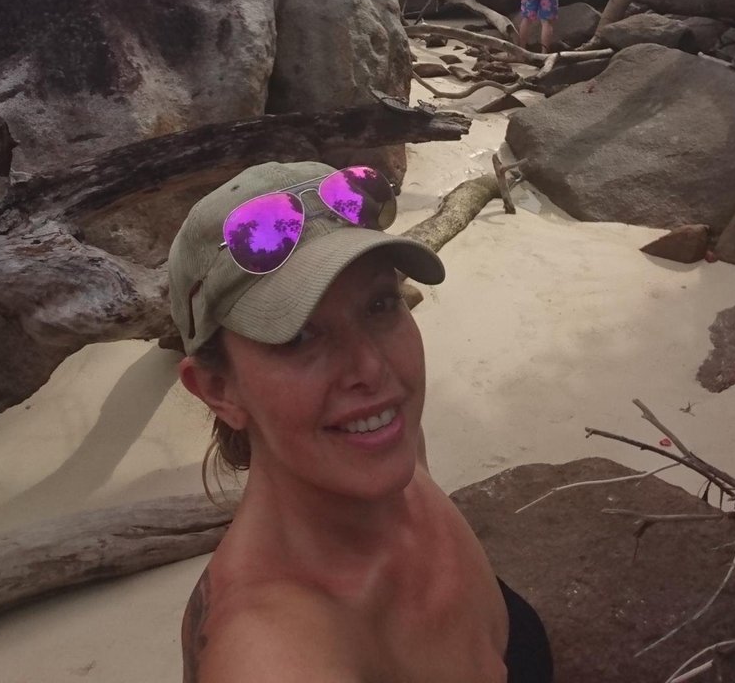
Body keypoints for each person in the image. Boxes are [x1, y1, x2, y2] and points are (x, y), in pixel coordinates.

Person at [169, 160, 553, 683]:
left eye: (379, 304)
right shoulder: (271, 657)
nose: (372, 368)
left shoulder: (396, 453)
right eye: (301, 336)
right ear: (219, 389)